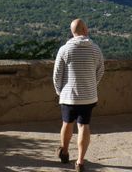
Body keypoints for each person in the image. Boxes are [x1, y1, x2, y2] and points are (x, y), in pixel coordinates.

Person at [53, 18, 105, 172]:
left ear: (72, 32)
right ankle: (80, 162)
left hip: (68, 96)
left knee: (67, 124)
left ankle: (65, 152)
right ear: (85, 30)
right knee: (84, 126)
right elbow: (101, 70)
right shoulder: (95, 49)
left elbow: (57, 75)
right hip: (88, 96)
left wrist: (60, 92)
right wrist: (91, 85)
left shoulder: (64, 50)